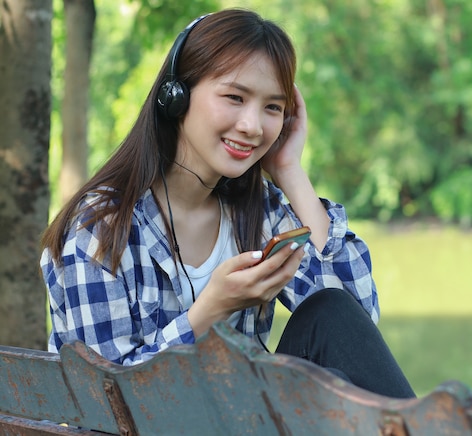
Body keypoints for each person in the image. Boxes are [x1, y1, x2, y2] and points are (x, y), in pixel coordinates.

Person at [40, 8, 415, 399]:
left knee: (330, 313)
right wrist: (210, 310)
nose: (253, 126)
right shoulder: (99, 227)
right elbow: (104, 399)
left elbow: (355, 327)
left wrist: (289, 171)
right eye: (235, 97)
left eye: (273, 107)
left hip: (239, 418)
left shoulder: (257, 210)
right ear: (176, 96)